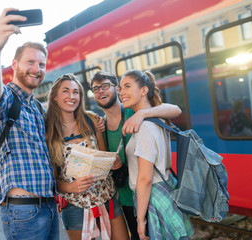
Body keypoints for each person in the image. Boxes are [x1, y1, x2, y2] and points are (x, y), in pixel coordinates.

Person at [0, 9, 59, 239]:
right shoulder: (6, 100)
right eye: (31, 62)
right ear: (14, 64)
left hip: (49, 205)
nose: (37, 69)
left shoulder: (35, 107)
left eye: (42, 64)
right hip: (23, 209)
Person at [90, 71, 182, 240]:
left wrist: (142, 114)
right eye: (95, 88)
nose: (100, 91)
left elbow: (175, 110)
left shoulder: (134, 111)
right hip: (124, 197)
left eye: (105, 86)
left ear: (115, 89)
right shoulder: (99, 126)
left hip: (147, 196)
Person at [46, 73, 129, 240]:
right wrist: (71, 187)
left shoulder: (91, 120)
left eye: (76, 92)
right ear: (55, 97)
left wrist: (113, 162)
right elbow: (52, 180)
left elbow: (104, 156)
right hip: (75, 206)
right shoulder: (49, 133)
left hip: (106, 196)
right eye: (66, 91)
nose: (72, 96)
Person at [119, 70, 194, 240]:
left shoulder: (145, 126)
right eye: (120, 88)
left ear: (144, 90)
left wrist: (140, 220)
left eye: (127, 86)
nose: (121, 92)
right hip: (165, 193)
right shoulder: (158, 119)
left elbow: (145, 178)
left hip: (153, 200)